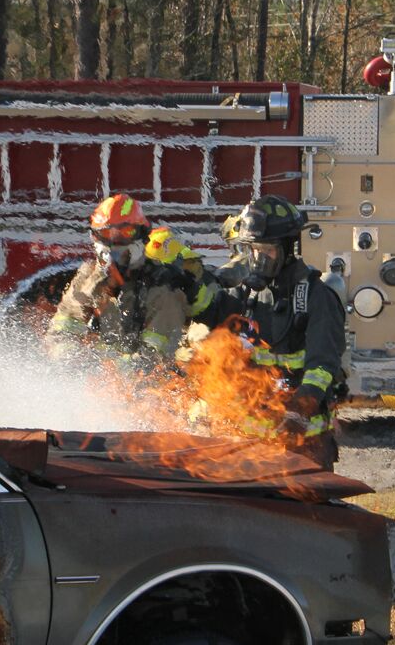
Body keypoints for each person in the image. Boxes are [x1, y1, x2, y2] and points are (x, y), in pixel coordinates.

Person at [201, 195, 346, 470]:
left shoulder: (316, 297)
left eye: (266, 250)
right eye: (253, 249)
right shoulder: (246, 295)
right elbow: (208, 313)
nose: (257, 258)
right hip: (249, 445)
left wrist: (301, 408)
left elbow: (323, 363)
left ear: (288, 248)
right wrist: (188, 282)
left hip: (305, 444)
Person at [45, 194, 200, 364]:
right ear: (95, 236)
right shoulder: (88, 278)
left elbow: (153, 355)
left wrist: (119, 369)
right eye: (106, 232)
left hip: (145, 381)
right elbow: (61, 331)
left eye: (125, 232)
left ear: (142, 235)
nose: (114, 242)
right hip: (95, 379)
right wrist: (71, 357)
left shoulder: (163, 284)